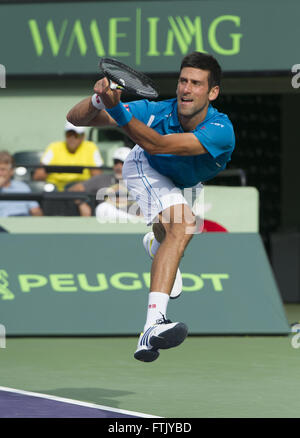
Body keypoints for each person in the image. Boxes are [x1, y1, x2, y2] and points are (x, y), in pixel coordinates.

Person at [67, 51, 235, 362]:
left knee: (175, 232)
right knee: (183, 225)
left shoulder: (221, 130)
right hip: (145, 166)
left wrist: (119, 113)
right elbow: (74, 119)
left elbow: (159, 144)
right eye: (183, 80)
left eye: (196, 83)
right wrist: (98, 99)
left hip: (180, 176)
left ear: (212, 92)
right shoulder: (155, 110)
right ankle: (152, 326)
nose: (186, 88)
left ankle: (155, 243)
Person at [33, 121, 104, 192]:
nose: (72, 138)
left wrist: (82, 186)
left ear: (83, 137)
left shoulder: (91, 148)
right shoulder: (54, 147)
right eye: (69, 134)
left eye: (76, 135)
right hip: (55, 192)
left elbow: (97, 177)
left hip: (81, 193)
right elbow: (38, 176)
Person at [68, 146, 137, 218]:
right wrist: (81, 204)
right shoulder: (102, 179)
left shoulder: (139, 182)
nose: (118, 166)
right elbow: (73, 190)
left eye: (122, 163)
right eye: (116, 162)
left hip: (133, 221)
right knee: (103, 208)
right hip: (107, 222)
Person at [0, 151, 43, 217]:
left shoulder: (23, 187)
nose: (0, 173)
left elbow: (35, 211)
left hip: (24, 223)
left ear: (11, 171)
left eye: (3, 170)